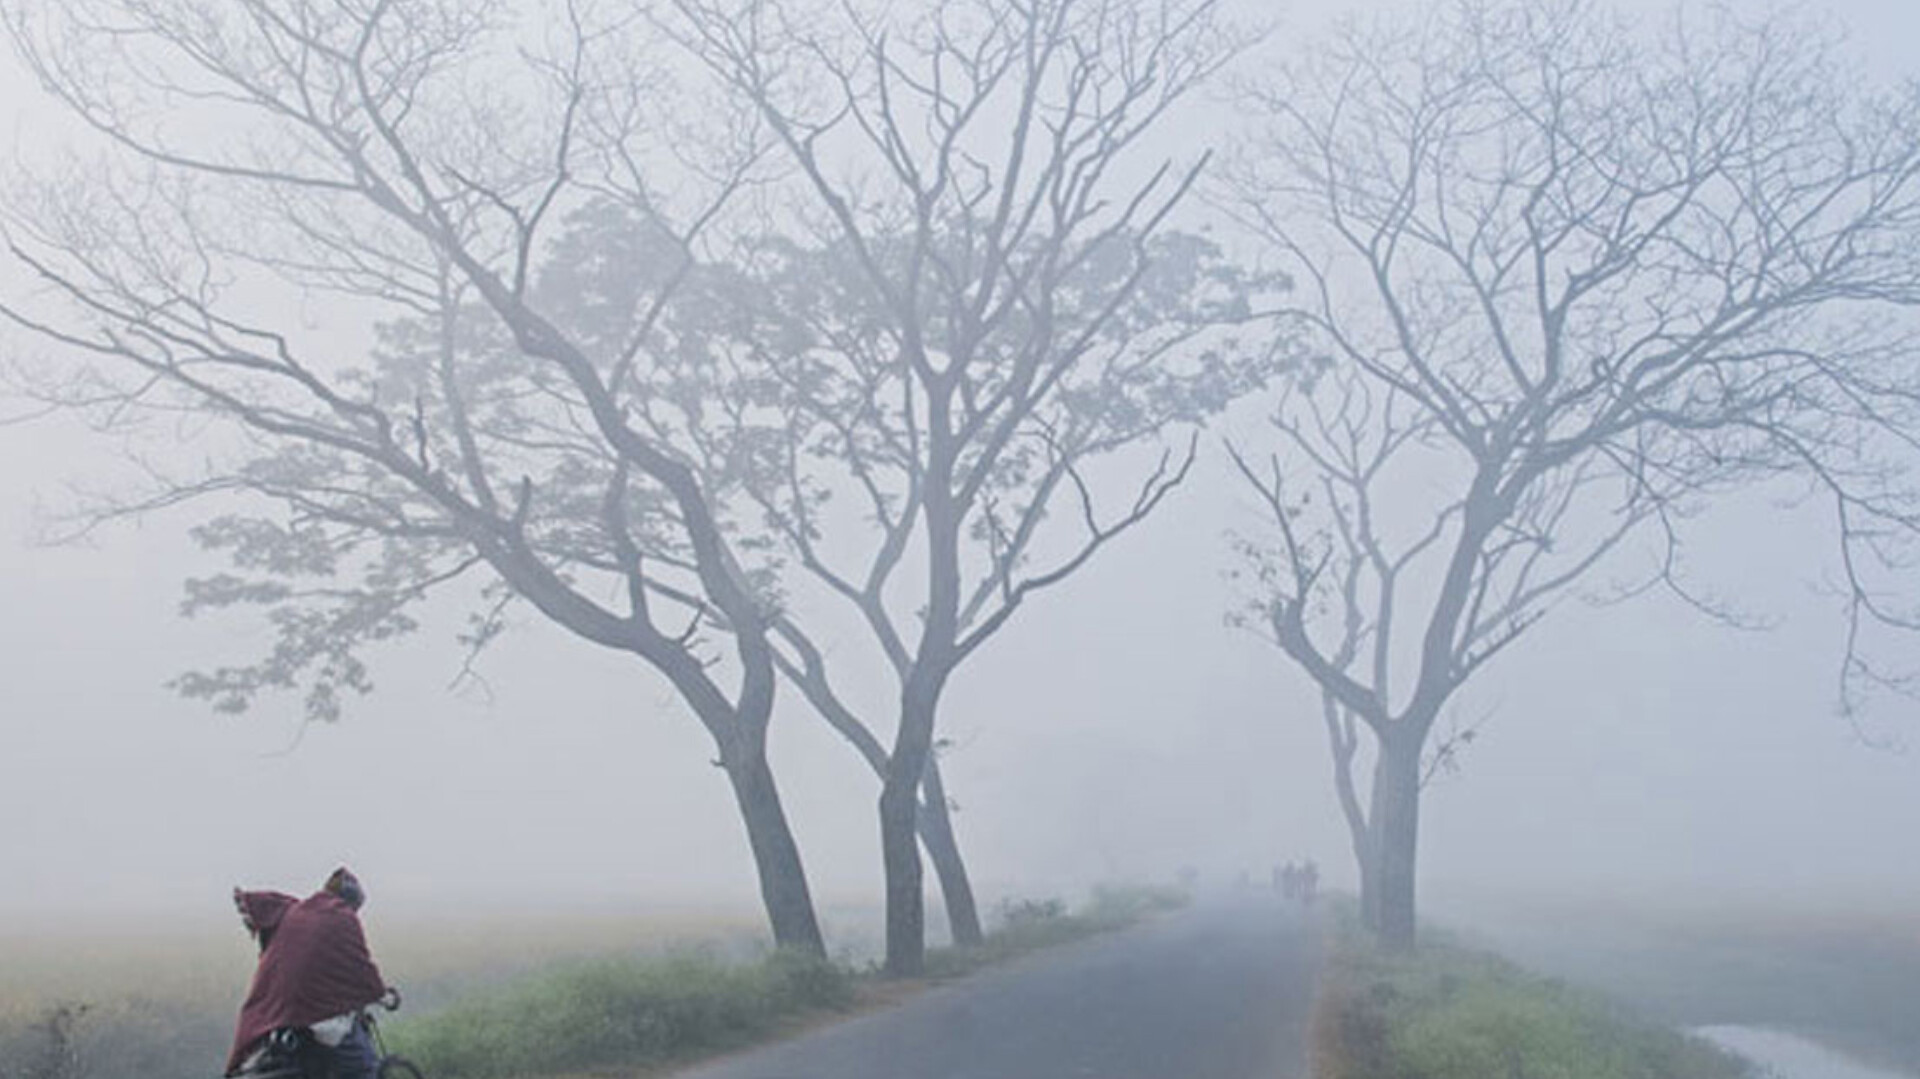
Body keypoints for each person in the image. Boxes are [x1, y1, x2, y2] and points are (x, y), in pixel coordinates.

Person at [226, 868, 393, 1078]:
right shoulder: (342, 917)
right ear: (351, 901)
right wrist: (380, 993)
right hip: (314, 1010)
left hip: (274, 1009)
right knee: (363, 1067)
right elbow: (360, 966)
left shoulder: (297, 912)